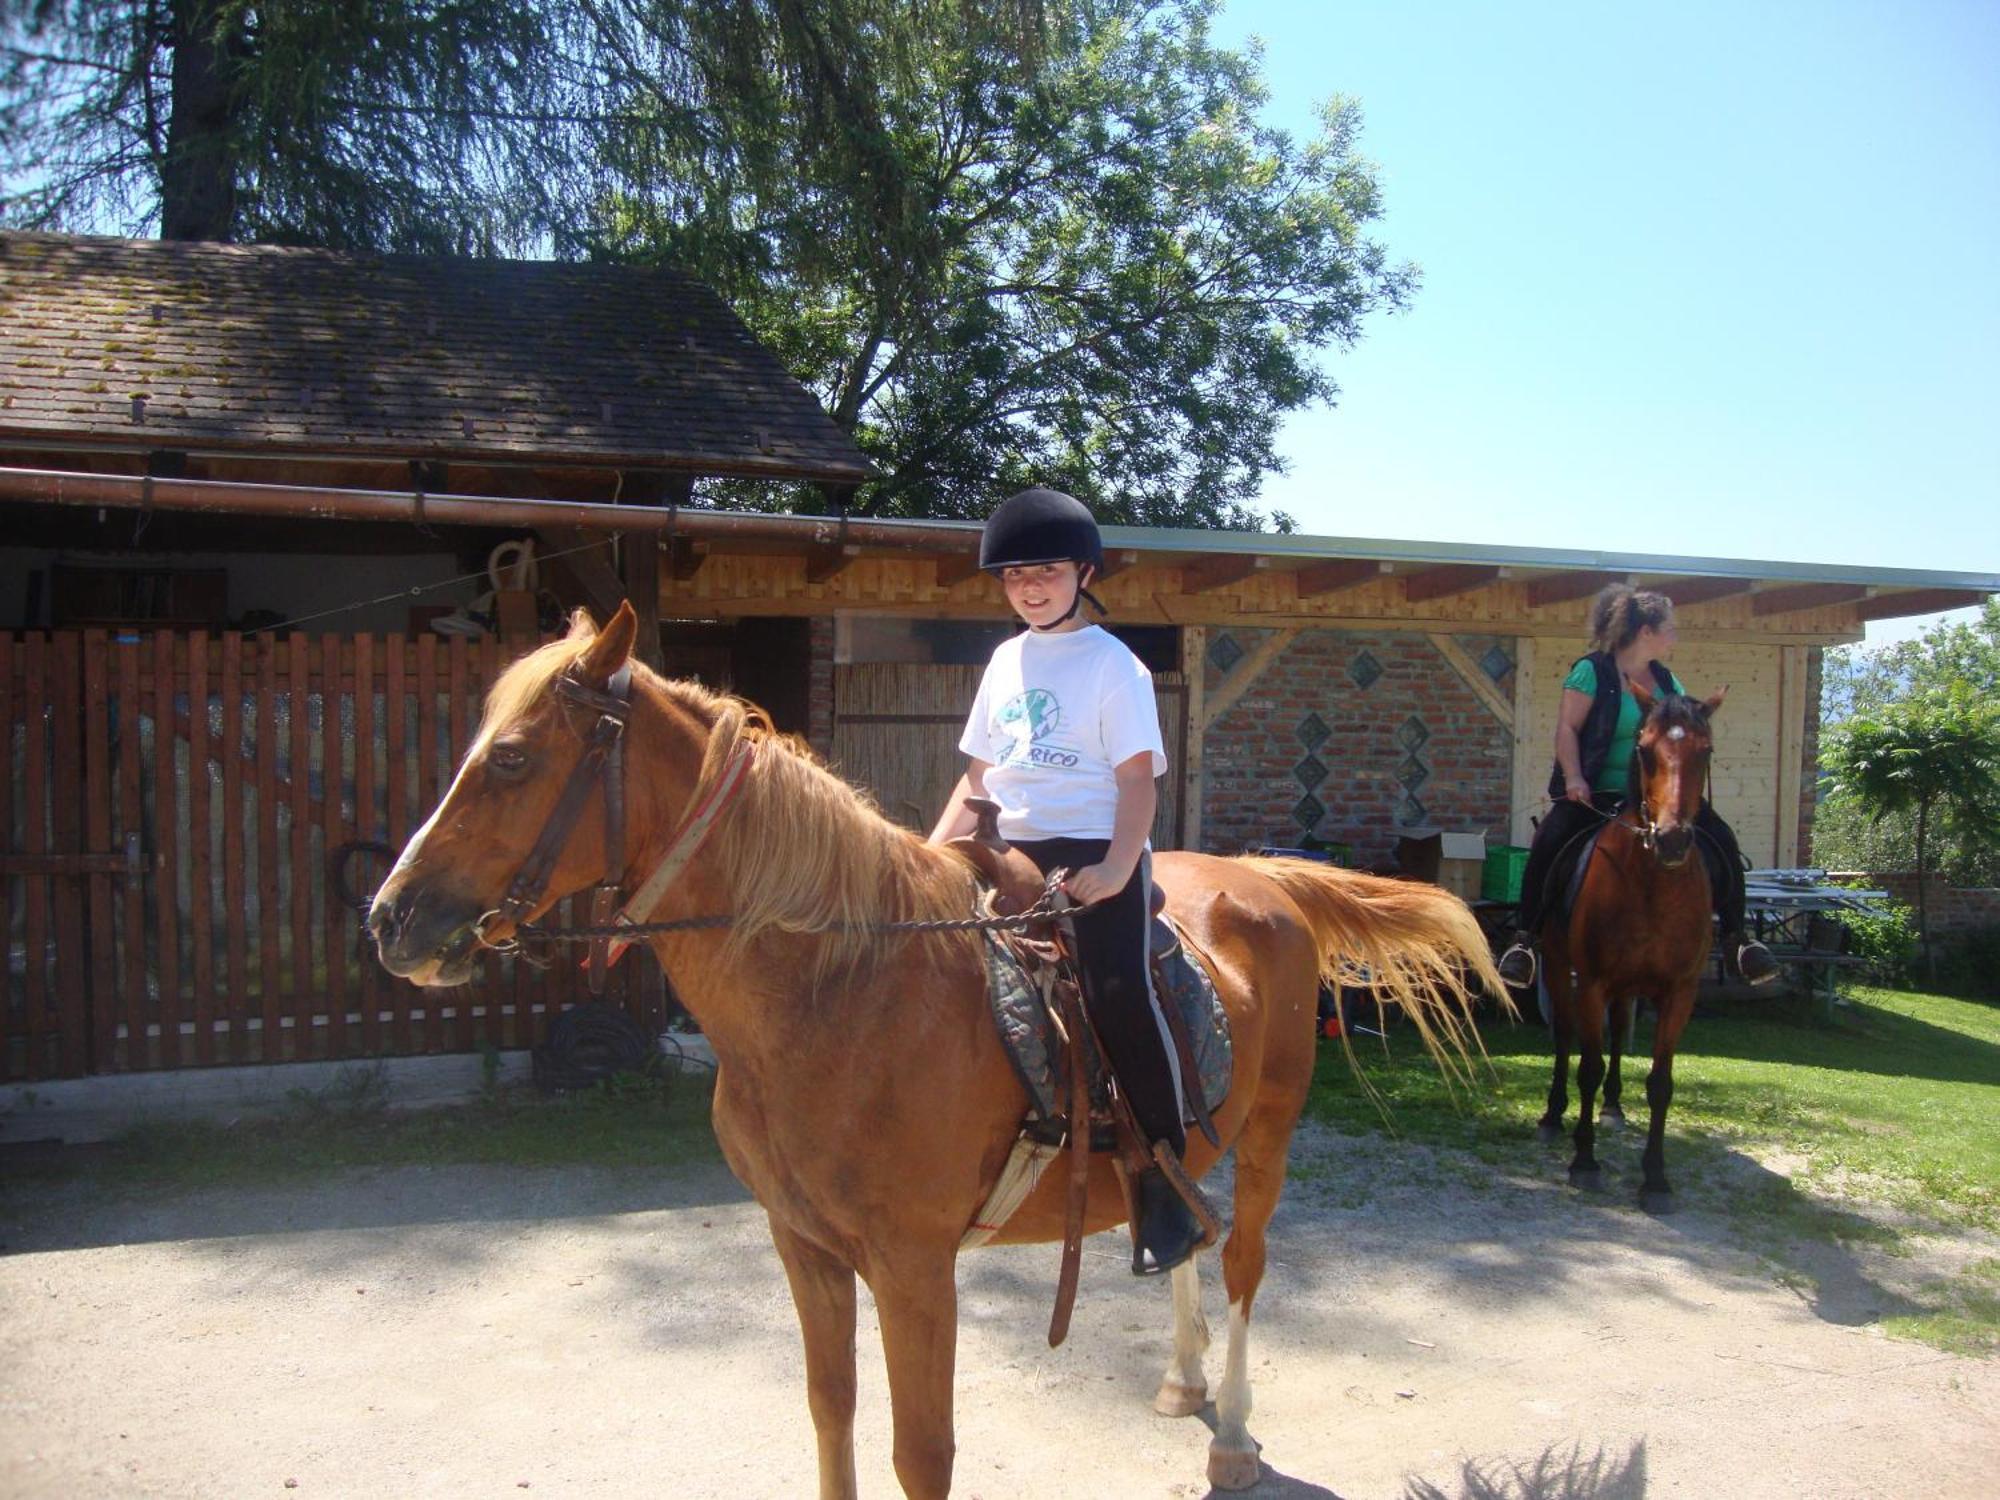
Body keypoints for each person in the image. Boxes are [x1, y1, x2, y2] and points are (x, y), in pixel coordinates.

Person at [927, 486, 1205, 1276]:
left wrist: (1118, 869)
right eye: (1015, 576)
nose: (1030, 587)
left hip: (1091, 846)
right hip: (1002, 844)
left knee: (1119, 991)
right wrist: (928, 854)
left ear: (1083, 572)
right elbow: (978, 779)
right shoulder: (1005, 659)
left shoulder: (1116, 667)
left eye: (1045, 570)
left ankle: (1164, 1181)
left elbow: (1139, 783)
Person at [1496, 584, 1778, 990]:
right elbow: (1567, 729)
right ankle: (1525, 942)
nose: (1675, 637)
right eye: (1670, 628)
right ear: (1646, 631)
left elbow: (1682, 733)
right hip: (1593, 793)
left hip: (1654, 799)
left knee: (1721, 838)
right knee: (1550, 841)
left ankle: (1738, 940)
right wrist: (1574, 777)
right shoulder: (1590, 671)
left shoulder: (1667, 682)